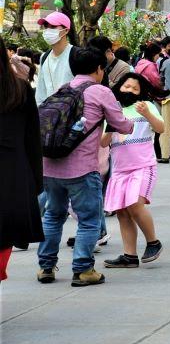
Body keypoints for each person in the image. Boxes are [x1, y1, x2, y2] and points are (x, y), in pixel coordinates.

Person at [37, 47, 134, 286]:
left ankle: (46, 267)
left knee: (53, 215)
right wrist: (132, 123)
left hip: (49, 166)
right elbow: (121, 125)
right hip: (81, 168)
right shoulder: (100, 91)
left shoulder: (63, 89)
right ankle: (83, 269)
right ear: (100, 69)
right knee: (89, 219)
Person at [100, 73, 165, 269]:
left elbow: (161, 128)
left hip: (143, 166)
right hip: (120, 170)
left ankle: (153, 242)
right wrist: (111, 126)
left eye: (135, 89)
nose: (130, 91)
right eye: (127, 86)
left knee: (135, 205)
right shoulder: (112, 110)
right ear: (119, 87)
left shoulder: (146, 106)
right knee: (122, 212)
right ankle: (129, 255)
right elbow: (103, 142)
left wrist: (147, 114)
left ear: (141, 93)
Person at [0, 37, 42, 282]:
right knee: (3, 237)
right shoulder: (20, 89)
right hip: (12, 175)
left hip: (13, 172)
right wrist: (35, 182)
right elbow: (32, 140)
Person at [34, 11, 74, 105]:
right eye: (46, 26)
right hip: (49, 115)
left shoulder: (76, 55)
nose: (48, 30)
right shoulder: (44, 57)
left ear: (66, 30)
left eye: (53, 26)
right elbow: (41, 91)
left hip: (72, 115)